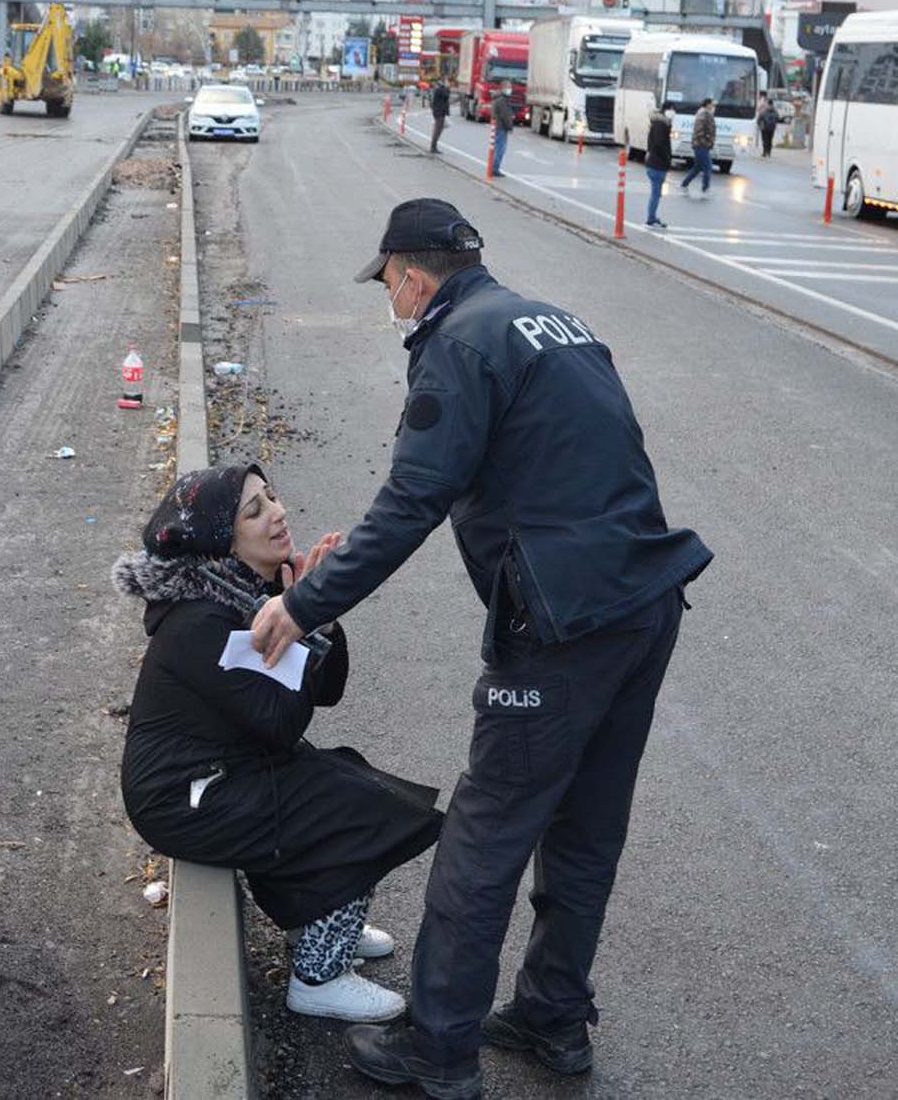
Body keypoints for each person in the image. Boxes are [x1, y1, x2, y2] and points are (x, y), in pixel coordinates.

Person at [251, 199, 712, 1096]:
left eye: (387, 286)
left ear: (413, 278)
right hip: (643, 601)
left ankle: (438, 1047)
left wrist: (304, 603)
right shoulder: (553, 322)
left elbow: (414, 498)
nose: (388, 303)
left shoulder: (456, 343)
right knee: (583, 831)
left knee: (484, 835)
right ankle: (551, 1017)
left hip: (562, 626)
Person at [115, 464, 444, 1023]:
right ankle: (320, 975)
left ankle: (318, 923)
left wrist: (318, 615)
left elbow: (327, 691)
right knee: (354, 810)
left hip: (219, 774)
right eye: (254, 510)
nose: (278, 512)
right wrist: (306, 625)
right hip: (183, 797)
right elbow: (281, 723)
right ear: (221, 540)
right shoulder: (202, 621)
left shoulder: (244, 591)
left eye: (271, 497)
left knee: (342, 779)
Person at [644, 104, 673, 230]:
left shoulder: (656, 123)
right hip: (658, 164)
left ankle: (652, 217)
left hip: (653, 162)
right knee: (655, 194)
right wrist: (667, 159)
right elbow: (660, 144)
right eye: (672, 110)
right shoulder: (662, 125)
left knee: (656, 193)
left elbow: (652, 144)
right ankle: (651, 218)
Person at [680, 97, 715, 198]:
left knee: (698, 168)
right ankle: (705, 189)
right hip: (701, 145)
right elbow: (703, 131)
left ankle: (684, 185)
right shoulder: (704, 114)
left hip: (700, 144)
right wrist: (707, 143)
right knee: (708, 166)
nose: (713, 106)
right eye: (712, 104)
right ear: (708, 104)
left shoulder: (704, 113)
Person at [490, 83, 514, 177]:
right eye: (508, 88)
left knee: (498, 148)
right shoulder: (502, 100)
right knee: (500, 148)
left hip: (498, 126)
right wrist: (509, 126)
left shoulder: (500, 99)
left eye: (510, 88)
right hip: (501, 127)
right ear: (503, 89)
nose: (510, 89)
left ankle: (494, 168)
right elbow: (505, 115)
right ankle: (495, 169)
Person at [429, 79, 450, 155]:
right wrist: (447, 87)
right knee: (437, 130)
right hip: (439, 113)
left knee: (438, 130)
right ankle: (433, 147)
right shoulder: (440, 90)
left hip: (439, 112)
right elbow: (446, 95)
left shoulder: (438, 90)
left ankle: (433, 146)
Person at [754, 93, 778, 158]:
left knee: (765, 140)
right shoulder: (775, 111)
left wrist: (759, 125)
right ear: (772, 104)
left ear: (767, 104)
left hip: (764, 128)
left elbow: (759, 119)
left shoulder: (764, 111)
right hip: (772, 128)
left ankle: (764, 152)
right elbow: (777, 119)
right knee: (770, 140)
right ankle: (769, 153)